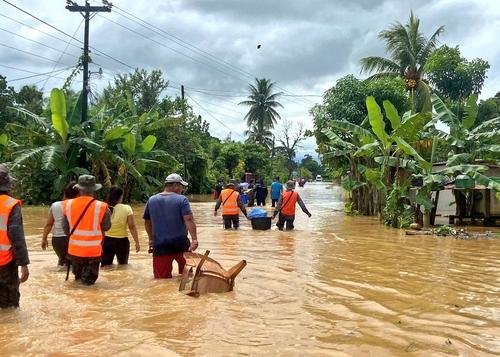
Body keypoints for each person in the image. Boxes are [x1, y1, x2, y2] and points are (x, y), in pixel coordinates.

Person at [143, 173, 198, 279]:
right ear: (176, 185)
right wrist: (194, 239)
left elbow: (147, 222)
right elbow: (189, 219)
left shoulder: (152, 200)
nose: (182, 189)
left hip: (160, 246)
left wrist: (151, 239)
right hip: (181, 244)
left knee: (161, 281)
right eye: (182, 186)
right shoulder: (182, 200)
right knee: (187, 277)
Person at [62, 175, 111, 285]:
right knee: (88, 285)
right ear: (94, 189)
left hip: (74, 251)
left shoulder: (67, 205)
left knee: (77, 281)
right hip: (93, 252)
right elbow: (106, 226)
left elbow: (65, 229)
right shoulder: (102, 207)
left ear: (78, 189)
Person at [0, 164, 29, 308]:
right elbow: (17, 237)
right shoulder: (11, 205)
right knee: (9, 307)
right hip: (4, 263)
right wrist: (23, 263)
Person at [41, 181, 79, 266]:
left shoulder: (55, 205)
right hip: (71, 238)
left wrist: (44, 239)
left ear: (64, 194)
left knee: (62, 262)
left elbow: (49, 224)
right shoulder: (78, 205)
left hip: (57, 240)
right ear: (77, 195)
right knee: (73, 265)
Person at [102, 186, 140, 266]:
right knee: (123, 266)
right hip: (122, 242)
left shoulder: (103, 208)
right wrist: (137, 242)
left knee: (106, 267)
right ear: (120, 196)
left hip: (106, 241)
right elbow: (131, 226)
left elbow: (100, 226)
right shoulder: (127, 208)